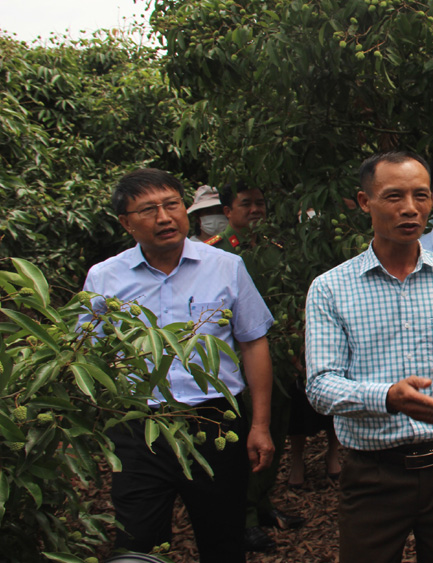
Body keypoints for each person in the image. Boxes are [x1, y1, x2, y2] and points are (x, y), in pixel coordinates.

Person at [305, 151, 433, 563]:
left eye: (421, 196)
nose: (410, 209)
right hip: (373, 472)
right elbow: (320, 386)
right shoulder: (331, 288)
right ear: (364, 202)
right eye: (394, 196)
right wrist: (386, 397)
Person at [82, 168, 274, 562]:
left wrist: (259, 425)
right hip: (141, 429)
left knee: (223, 539)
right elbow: (86, 357)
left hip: (214, 423)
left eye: (171, 205)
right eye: (148, 210)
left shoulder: (225, 266)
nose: (165, 218)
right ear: (126, 223)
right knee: (138, 544)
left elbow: (253, 342)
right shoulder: (104, 278)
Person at [209, 181, 312, 552]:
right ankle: (246, 517)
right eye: (246, 204)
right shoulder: (218, 255)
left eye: (260, 203)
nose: (255, 210)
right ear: (227, 212)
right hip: (241, 363)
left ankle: (263, 502)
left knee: (277, 432)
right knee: (249, 439)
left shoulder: (276, 251)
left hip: (279, 359)